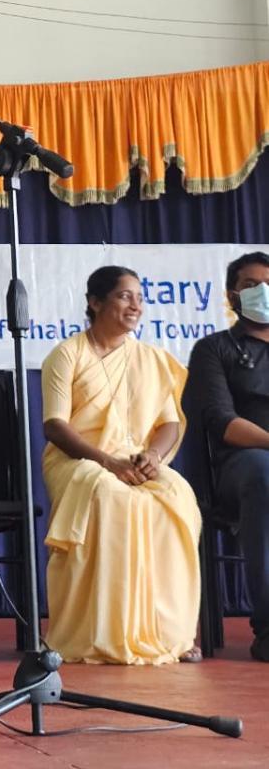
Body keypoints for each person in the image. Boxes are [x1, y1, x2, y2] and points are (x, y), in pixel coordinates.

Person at [40, 265, 202, 664]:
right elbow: (55, 425)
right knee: (110, 496)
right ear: (95, 303)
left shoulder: (150, 359)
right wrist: (107, 461)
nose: (136, 306)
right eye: (125, 296)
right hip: (79, 460)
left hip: (135, 461)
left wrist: (153, 457)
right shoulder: (67, 354)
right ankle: (99, 633)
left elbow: (168, 424)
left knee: (177, 496)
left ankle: (169, 633)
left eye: (140, 298)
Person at [185, 251, 269, 663]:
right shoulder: (214, 349)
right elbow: (223, 422)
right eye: (251, 285)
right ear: (232, 295)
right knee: (265, 473)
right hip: (243, 465)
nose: (263, 291)